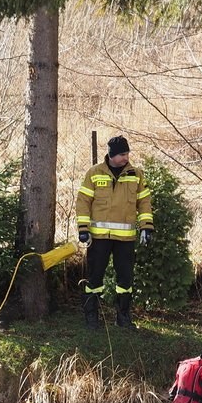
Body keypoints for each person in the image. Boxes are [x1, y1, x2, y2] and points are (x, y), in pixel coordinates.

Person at [75, 135, 154, 330]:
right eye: (122, 154)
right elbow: (83, 202)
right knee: (94, 278)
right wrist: (83, 230)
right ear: (111, 155)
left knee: (125, 280)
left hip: (125, 239)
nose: (126, 158)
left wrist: (146, 226)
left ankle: (123, 318)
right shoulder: (94, 173)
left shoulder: (136, 175)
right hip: (99, 238)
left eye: (127, 153)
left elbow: (144, 202)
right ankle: (91, 318)